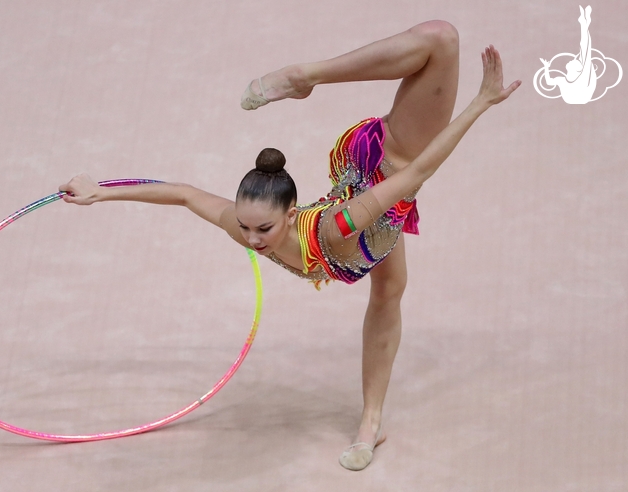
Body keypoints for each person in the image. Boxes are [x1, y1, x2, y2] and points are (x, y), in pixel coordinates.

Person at [59, 21, 520, 471]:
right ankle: (371, 422)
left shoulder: (334, 229)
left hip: (390, 162)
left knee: (441, 40)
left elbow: (417, 174)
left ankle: (306, 75)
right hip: (372, 215)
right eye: (245, 227)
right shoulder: (243, 225)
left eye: (264, 229)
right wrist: (101, 191)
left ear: (292, 211)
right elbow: (181, 193)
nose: (252, 241)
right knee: (389, 293)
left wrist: (480, 103)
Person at [540, 5, 596, 104]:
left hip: (581, 96)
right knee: (585, 51)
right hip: (576, 97)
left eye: (575, 61)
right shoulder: (562, 80)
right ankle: (584, 23)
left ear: (577, 69)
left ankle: (584, 23)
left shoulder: (582, 77)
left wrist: (584, 26)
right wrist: (546, 67)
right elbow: (549, 82)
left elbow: (585, 48)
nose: (573, 59)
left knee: (585, 50)